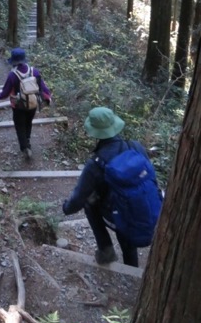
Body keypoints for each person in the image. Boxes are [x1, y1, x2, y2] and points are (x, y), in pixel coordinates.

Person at [62, 106, 157, 267]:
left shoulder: (97, 164)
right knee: (127, 233)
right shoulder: (136, 146)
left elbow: (79, 197)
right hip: (148, 211)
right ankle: (131, 269)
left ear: (95, 133)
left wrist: (66, 208)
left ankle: (106, 249)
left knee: (89, 203)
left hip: (118, 216)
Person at [0, 47, 51, 161]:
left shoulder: (12, 75)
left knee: (19, 126)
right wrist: (48, 97)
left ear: (13, 61)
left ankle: (25, 147)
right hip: (32, 103)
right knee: (28, 122)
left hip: (18, 105)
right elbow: (43, 88)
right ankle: (28, 140)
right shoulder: (34, 71)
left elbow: (5, 92)